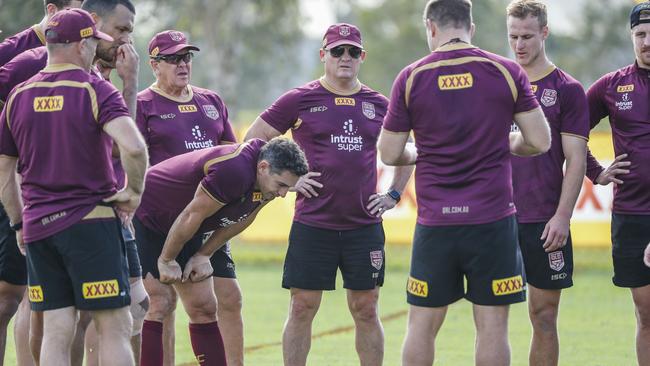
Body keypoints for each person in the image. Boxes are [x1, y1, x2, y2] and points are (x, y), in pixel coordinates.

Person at [377, 0, 551, 365]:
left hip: (436, 223)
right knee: (492, 326)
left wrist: (420, 152)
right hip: (492, 221)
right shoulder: (505, 71)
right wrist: (505, 143)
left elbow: (390, 152)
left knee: (421, 325)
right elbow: (540, 140)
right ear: (471, 28)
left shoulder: (411, 77)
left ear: (431, 28)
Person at [245, 23, 413, 366]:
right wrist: (288, 184)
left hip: (363, 225)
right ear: (324, 55)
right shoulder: (300, 98)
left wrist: (393, 194)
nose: (345, 57)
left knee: (366, 308)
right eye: (337, 51)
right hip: (313, 224)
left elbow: (409, 149)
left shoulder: (379, 104)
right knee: (302, 305)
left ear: (362, 56)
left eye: (353, 51)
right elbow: (254, 141)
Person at [0, 8, 148, 366]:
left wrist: (19, 222)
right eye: (95, 41)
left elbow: (4, 172)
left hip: (37, 229)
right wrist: (132, 193)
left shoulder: (19, 96)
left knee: (56, 329)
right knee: (114, 324)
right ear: (82, 44)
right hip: (90, 224)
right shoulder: (94, 88)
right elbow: (133, 147)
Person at [134, 137, 308, 366]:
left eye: (289, 187)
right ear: (263, 167)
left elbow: (242, 218)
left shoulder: (266, 181)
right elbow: (190, 215)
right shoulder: (234, 171)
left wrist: (203, 254)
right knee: (159, 302)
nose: (284, 194)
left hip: (186, 227)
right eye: (282, 185)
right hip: (147, 215)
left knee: (204, 306)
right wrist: (167, 259)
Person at [136, 30, 241, 366]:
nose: (182, 64)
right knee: (160, 304)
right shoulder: (142, 105)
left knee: (204, 306)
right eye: (173, 58)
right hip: (154, 221)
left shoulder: (211, 102)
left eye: (187, 57)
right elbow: (130, 162)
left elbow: (232, 157)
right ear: (154, 65)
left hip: (200, 221)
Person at [505, 2, 589, 365]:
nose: (519, 44)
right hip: (496, 217)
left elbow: (577, 158)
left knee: (543, 316)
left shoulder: (567, 89)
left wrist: (562, 217)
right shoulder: (499, 81)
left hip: (543, 219)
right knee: (489, 315)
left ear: (544, 32)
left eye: (526, 36)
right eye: (513, 36)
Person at [585, 2, 650, 364]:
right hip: (631, 215)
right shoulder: (611, 86)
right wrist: (596, 171)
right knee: (645, 313)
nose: (647, 41)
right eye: (640, 34)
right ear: (631, 37)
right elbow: (571, 130)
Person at [0, 0, 84, 67]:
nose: (78, 22)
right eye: (73, 14)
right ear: (52, 10)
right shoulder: (9, 50)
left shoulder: (83, 50)